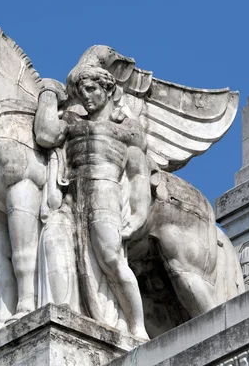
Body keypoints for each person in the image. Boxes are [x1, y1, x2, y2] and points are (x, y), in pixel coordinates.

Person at [35, 64, 150, 340]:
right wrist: (49, 92)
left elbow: (138, 174)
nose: (85, 97)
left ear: (108, 89)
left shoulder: (127, 130)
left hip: (104, 192)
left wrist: (139, 212)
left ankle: (138, 327)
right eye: (81, 91)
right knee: (63, 247)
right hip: (71, 195)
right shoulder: (72, 124)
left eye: (91, 89)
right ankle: (74, 313)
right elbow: (45, 135)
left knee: (110, 258)